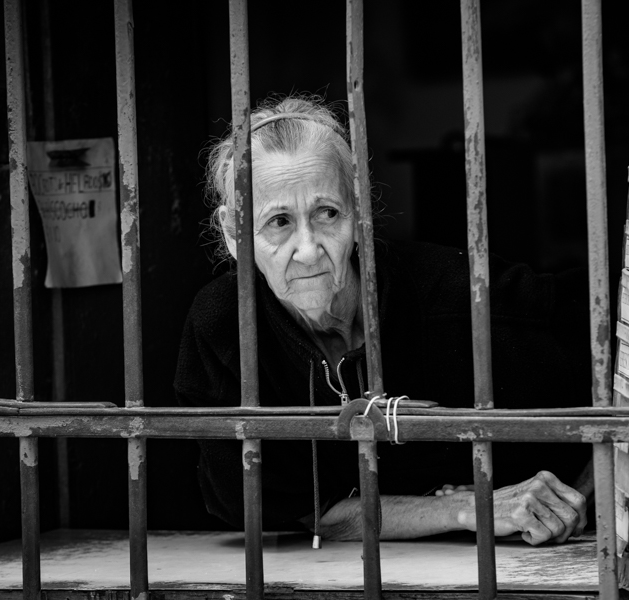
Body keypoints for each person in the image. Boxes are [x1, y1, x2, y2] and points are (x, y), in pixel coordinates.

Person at [175, 95, 595, 546]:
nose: (309, 250)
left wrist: (581, 501)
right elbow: (300, 509)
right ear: (233, 232)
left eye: (327, 213)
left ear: (358, 212)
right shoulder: (224, 327)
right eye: (279, 221)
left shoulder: (462, 295)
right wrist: (464, 509)